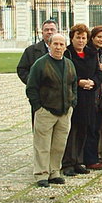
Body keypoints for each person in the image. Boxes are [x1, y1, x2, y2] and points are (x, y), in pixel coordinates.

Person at [26, 33, 77, 187]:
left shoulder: (69, 64)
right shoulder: (40, 64)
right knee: (42, 145)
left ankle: (54, 172)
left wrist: (72, 103)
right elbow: (31, 88)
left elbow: (73, 84)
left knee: (59, 145)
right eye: (55, 44)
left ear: (65, 46)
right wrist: (38, 108)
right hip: (46, 111)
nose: (58, 47)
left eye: (61, 44)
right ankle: (41, 174)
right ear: (49, 45)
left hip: (64, 111)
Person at [61, 23, 102, 176]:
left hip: (89, 97)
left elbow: (98, 72)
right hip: (74, 96)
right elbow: (64, 74)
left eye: (83, 38)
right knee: (72, 131)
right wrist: (79, 82)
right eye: (77, 37)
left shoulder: (92, 53)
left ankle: (79, 160)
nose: (80, 40)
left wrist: (94, 82)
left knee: (84, 130)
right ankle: (68, 163)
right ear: (72, 38)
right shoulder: (68, 54)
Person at [85, 25, 102, 170]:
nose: (101, 40)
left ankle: (94, 157)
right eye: (99, 37)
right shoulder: (89, 53)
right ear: (92, 37)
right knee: (89, 128)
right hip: (90, 94)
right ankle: (89, 159)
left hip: (99, 95)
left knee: (96, 128)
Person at [17, 19, 58, 85]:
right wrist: (32, 82)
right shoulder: (30, 51)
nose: (49, 32)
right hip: (39, 91)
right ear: (42, 33)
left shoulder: (65, 50)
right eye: (46, 30)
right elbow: (22, 70)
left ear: (57, 32)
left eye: (52, 29)